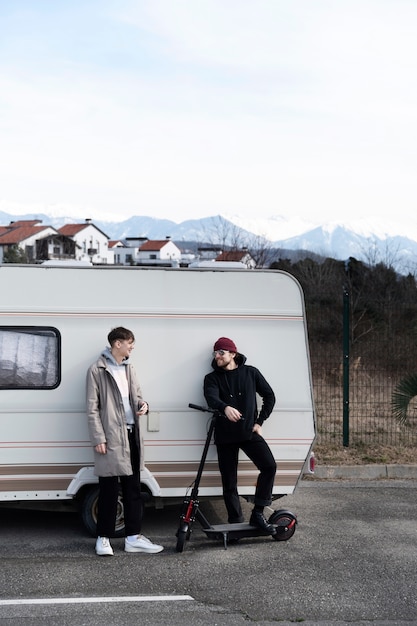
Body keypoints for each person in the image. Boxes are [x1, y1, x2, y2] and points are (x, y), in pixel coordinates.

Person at [86, 326, 163, 556]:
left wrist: (144, 405)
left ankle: (132, 538)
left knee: (133, 489)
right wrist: (98, 437)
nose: (132, 347)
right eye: (130, 343)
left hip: (131, 434)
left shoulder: (129, 368)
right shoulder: (97, 370)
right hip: (110, 437)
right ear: (117, 343)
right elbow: (91, 409)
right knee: (108, 489)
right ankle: (103, 539)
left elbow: (137, 396)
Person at [203, 337, 277, 533]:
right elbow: (211, 398)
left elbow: (269, 396)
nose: (217, 356)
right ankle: (236, 523)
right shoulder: (211, 378)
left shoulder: (251, 373)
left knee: (269, 466)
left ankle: (258, 514)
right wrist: (224, 407)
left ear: (232, 354)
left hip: (248, 432)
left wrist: (259, 422)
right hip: (225, 436)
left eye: (221, 352)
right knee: (229, 483)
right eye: (215, 353)